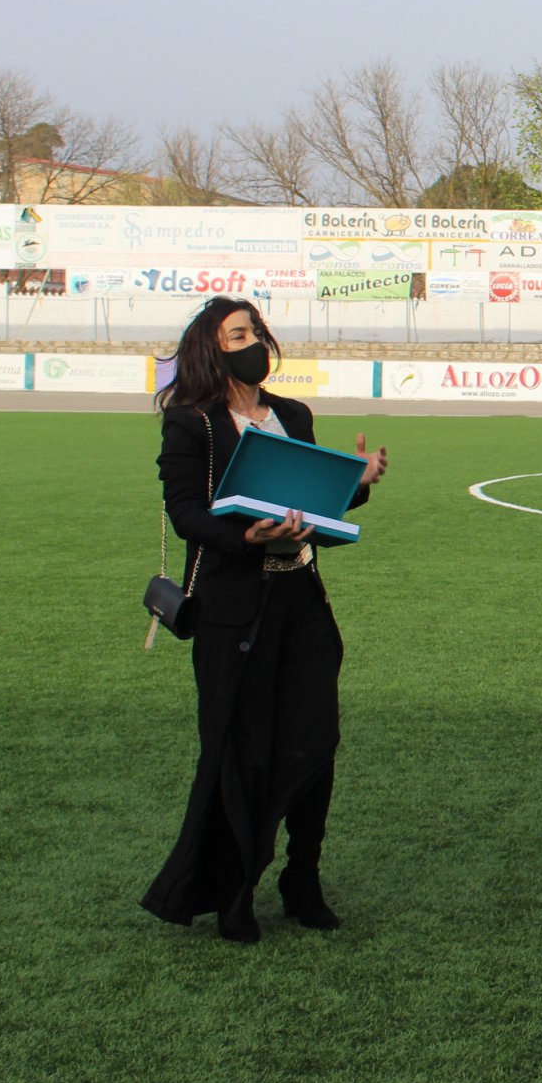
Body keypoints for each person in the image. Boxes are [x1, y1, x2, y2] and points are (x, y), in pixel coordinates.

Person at [143, 297, 388, 943]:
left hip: (300, 602)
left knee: (317, 743)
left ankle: (302, 879)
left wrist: (357, 483)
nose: (253, 342)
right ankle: (236, 891)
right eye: (237, 333)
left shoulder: (293, 414)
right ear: (210, 347)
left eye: (255, 331)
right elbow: (187, 516)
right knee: (243, 754)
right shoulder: (191, 423)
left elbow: (314, 505)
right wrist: (246, 538)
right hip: (232, 612)